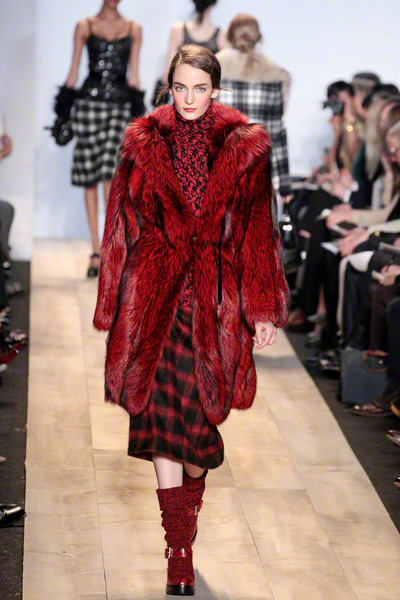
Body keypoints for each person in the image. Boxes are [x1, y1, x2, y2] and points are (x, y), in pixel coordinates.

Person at [93, 44, 289, 596]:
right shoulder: (143, 141)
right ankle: (178, 547)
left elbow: (257, 230)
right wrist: (112, 299)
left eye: (199, 88)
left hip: (214, 298)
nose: (188, 98)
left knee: (198, 437)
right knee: (158, 420)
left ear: (216, 90)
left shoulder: (245, 147)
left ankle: (189, 502)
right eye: (180, 87)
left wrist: (263, 307)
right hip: (153, 295)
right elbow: (119, 220)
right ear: (169, 86)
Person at [63, 0, 144, 277]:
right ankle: (95, 250)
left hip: (120, 106)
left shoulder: (133, 29)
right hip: (88, 105)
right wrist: (63, 114)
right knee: (90, 176)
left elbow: (134, 75)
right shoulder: (85, 26)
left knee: (112, 173)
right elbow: (74, 70)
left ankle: (111, 249)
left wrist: (139, 115)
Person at [216, 14, 292, 199]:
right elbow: (277, 133)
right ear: (258, 37)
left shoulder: (212, 71)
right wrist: (285, 185)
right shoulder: (276, 74)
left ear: (230, 36)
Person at [162, 0, 229, 82]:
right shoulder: (222, 35)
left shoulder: (178, 30)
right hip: (203, 87)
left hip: (184, 86)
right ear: (214, 4)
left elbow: (167, 75)